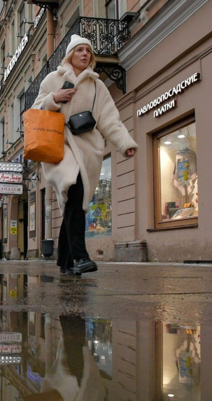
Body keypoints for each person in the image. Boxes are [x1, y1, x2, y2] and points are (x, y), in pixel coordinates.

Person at [33, 35, 137, 274]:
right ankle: (81, 257)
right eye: (79, 50)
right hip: (58, 146)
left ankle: (64, 261)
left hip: (87, 147)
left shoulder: (97, 86)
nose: (84, 54)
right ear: (70, 54)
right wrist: (53, 99)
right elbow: (33, 111)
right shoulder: (53, 80)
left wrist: (124, 143)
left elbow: (110, 119)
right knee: (74, 187)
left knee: (75, 202)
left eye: (88, 51)